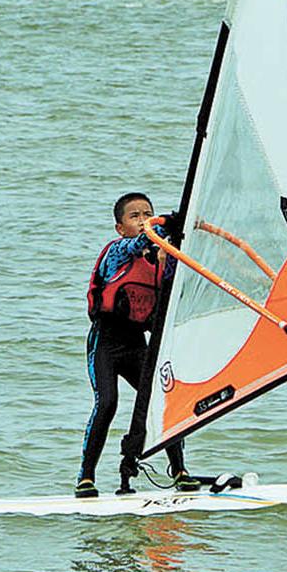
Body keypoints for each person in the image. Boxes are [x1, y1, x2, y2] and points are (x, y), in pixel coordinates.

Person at [77, 191, 199, 497]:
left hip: (136, 344)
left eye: (148, 214)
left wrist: (180, 231)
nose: (143, 220)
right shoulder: (118, 250)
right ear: (120, 227)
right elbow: (139, 242)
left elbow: (174, 291)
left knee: (164, 400)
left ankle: (180, 470)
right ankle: (86, 477)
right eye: (135, 216)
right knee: (107, 403)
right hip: (105, 343)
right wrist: (160, 226)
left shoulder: (160, 260)